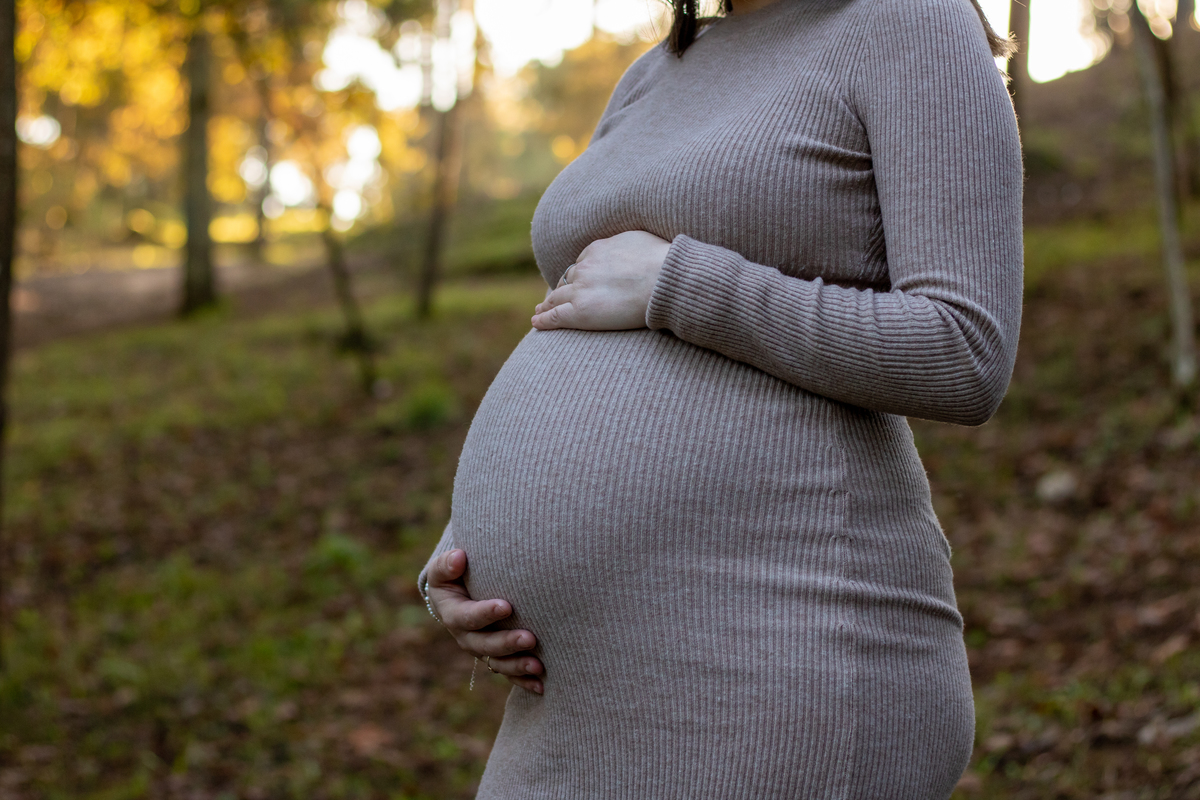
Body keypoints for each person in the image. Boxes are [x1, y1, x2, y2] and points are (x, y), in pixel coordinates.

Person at [419, 0, 1023, 795]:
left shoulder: (905, 20)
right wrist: (468, 547)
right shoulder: (657, 71)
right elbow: (583, 307)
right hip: (568, 697)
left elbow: (964, 350)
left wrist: (683, 283)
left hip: (775, 654)